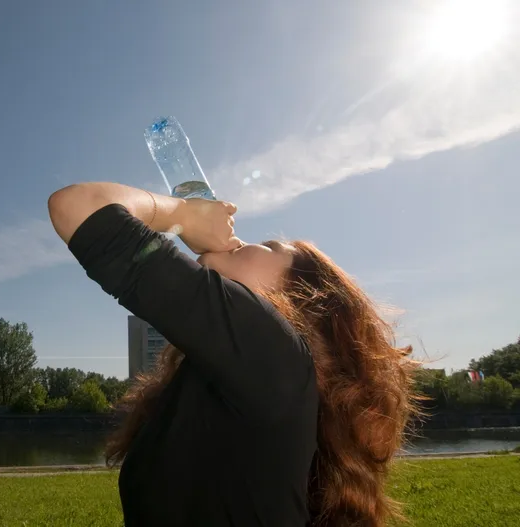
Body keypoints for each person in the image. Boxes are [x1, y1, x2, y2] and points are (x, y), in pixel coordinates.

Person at [48, 182, 421, 527]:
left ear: (302, 297)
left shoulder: (275, 352)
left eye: (270, 246)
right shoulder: (239, 378)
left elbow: (79, 206)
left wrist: (184, 215)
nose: (241, 240)